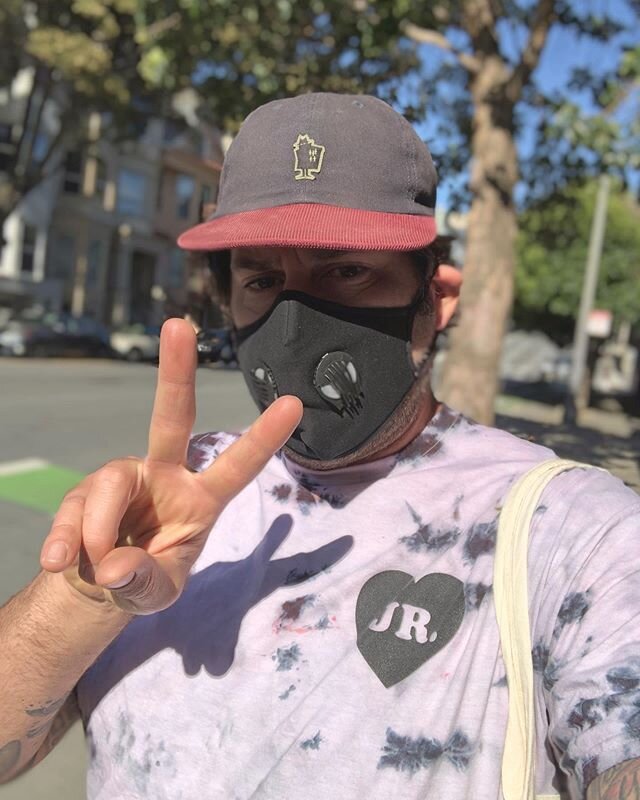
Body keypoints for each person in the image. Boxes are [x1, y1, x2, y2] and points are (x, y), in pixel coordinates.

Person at [1, 93, 639, 799]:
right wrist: (93, 592)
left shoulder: (570, 527)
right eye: (262, 281)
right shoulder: (177, 491)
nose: (297, 326)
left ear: (437, 299)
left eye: (346, 272)